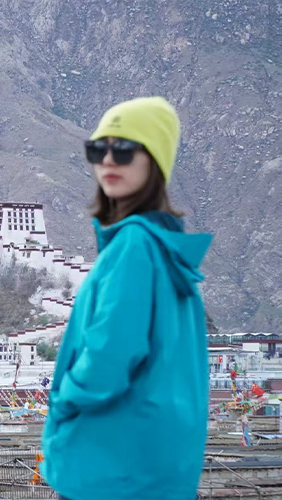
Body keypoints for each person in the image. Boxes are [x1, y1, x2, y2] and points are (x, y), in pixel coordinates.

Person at [41, 97, 212, 500]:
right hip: (153, 463)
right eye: (99, 149)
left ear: (155, 159)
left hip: (109, 461)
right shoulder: (167, 248)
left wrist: (65, 405)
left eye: (125, 149)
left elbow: (111, 352)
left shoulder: (134, 245)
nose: (109, 161)